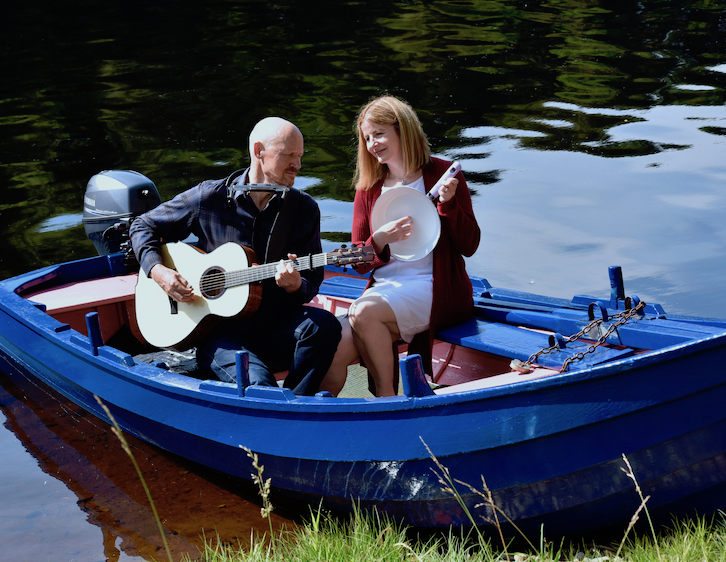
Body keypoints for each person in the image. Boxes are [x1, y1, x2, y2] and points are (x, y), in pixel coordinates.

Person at [129, 117, 342, 396]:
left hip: (275, 324)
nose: (298, 165)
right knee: (260, 386)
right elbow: (142, 225)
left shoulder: (303, 209)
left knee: (324, 327)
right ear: (258, 151)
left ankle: (295, 404)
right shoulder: (210, 198)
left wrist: (295, 285)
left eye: (300, 156)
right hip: (217, 330)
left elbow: (311, 280)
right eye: (289, 155)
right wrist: (159, 272)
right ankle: (278, 409)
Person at [320, 96, 480, 397]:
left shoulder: (444, 175)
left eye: (379, 133)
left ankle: (386, 398)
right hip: (386, 289)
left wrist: (448, 205)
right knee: (334, 349)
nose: (372, 144)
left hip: (436, 287)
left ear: (402, 129)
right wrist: (379, 239)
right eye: (367, 138)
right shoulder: (368, 189)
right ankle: (318, 420)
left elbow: (470, 245)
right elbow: (359, 262)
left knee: (364, 312)